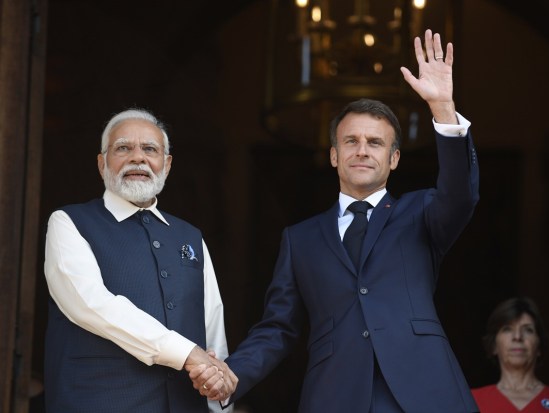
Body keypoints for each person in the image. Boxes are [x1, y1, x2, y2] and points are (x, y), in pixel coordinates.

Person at [191, 29, 479, 412]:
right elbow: (278, 328)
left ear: (393, 159)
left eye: (375, 143)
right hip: (335, 396)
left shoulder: (422, 212)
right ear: (333, 155)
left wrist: (443, 109)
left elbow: (461, 193)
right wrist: (231, 375)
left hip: (424, 391)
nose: (362, 151)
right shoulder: (300, 239)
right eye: (351, 141)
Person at [43, 108, 238, 413]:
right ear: (101, 162)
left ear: (167, 164)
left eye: (150, 149)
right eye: (123, 148)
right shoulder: (69, 222)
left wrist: (219, 398)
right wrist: (186, 353)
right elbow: (89, 303)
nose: (138, 158)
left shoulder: (190, 236)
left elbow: (212, 325)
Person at [471, 297, 549, 413]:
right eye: (507, 329)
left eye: (528, 330)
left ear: (539, 346)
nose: (517, 337)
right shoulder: (471, 400)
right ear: (494, 345)